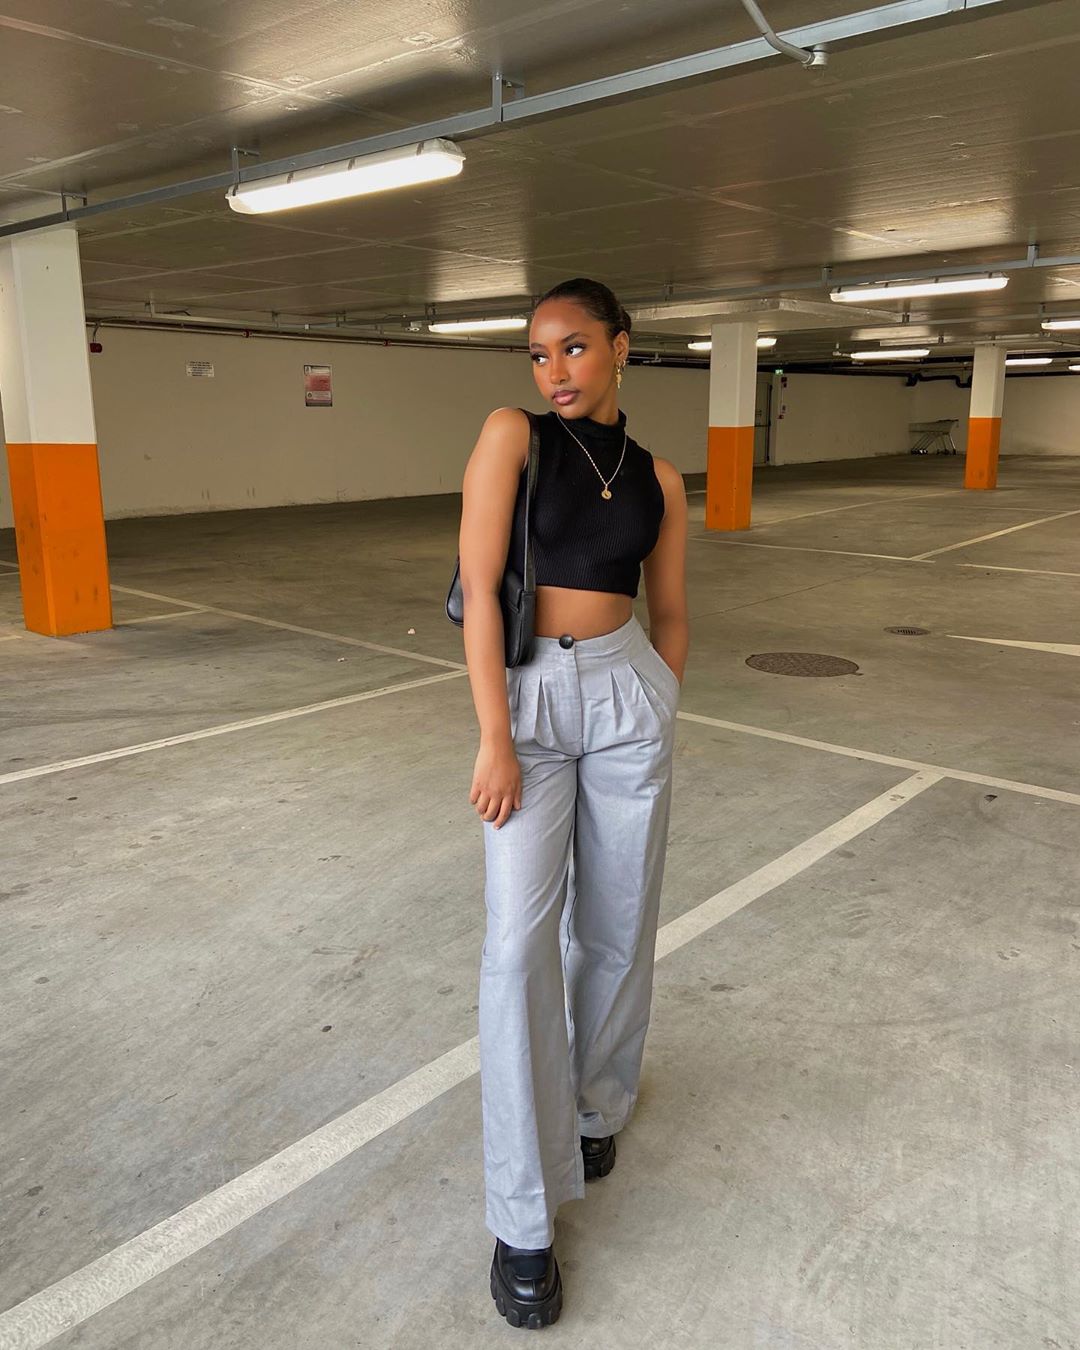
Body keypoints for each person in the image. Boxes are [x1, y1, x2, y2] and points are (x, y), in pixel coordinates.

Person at [456, 276, 689, 1329]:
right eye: (540, 353)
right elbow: (478, 586)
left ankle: (598, 1105)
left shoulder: (659, 478)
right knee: (517, 949)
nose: (554, 370)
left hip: (629, 692)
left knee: (619, 923)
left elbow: (670, 608)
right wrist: (495, 736)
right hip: (532, 702)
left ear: (622, 347)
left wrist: (660, 696)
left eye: (575, 348)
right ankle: (522, 1218)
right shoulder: (513, 435)